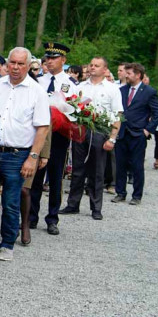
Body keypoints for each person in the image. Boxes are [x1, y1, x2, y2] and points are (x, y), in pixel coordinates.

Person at [0, 47, 50, 261]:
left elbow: (42, 127)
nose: (15, 67)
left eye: (21, 63)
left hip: (17, 154)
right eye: (12, 62)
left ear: (29, 65)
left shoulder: (36, 91)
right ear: (7, 63)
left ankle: (7, 244)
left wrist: (33, 157)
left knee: (11, 202)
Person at [62, 56, 122, 219]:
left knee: (97, 170)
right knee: (77, 169)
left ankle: (96, 207)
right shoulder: (80, 86)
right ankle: (72, 204)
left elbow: (117, 115)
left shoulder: (112, 88)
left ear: (104, 70)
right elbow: (71, 107)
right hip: (81, 129)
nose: (92, 67)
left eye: (97, 65)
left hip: (100, 130)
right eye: (91, 65)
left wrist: (112, 138)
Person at [29, 42, 74, 236]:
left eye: (54, 58)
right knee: (36, 175)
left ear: (63, 60)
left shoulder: (70, 83)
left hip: (58, 136)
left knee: (56, 177)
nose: (49, 61)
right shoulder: (38, 81)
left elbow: (75, 110)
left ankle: (52, 218)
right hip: (39, 133)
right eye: (47, 57)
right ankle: (31, 216)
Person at [112, 63, 158, 205]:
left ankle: (137, 195)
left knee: (137, 165)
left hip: (138, 133)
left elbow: (157, 112)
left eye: (129, 73)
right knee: (120, 164)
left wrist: (147, 130)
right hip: (122, 132)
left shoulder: (149, 91)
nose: (126, 76)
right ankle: (120, 192)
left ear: (138, 75)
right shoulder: (121, 90)